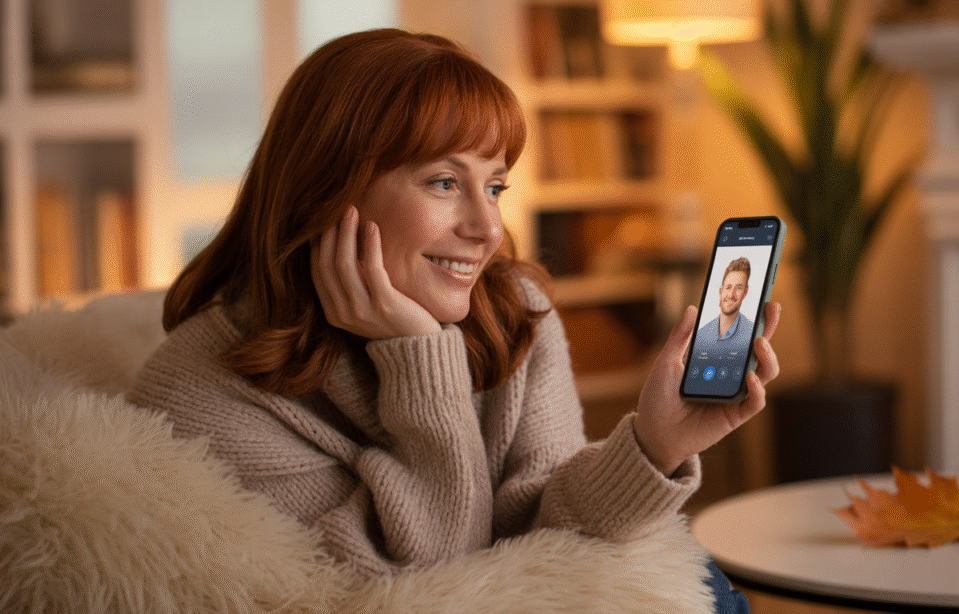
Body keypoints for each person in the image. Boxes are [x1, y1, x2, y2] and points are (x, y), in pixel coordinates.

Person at [127, 29, 779, 610]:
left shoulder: (515, 313)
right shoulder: (203, 390)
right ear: (328, 190)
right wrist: (417, 353)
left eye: (494, 186)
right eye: (444, 182)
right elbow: (432, 585)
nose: (488, 228)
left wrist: (656, 444)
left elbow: (543, 533)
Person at [695, 257, 754, 349]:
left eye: (738, 288)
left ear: (745, 292)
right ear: (720, 291)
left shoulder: (752, 334)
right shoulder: (701, 335)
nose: (731, 295)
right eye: (728, 287)